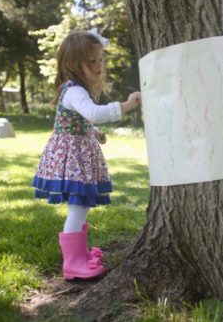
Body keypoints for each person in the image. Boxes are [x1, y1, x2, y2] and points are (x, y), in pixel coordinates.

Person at [32, 29, 141, 280]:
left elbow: (80, 121)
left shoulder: (77, 90)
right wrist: (126, 105)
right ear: (73, 64)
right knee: (79, 206)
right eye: (92, 61)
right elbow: (93, 113)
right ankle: (72, 263)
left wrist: (94, 133)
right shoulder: (73, 91)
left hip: (79, 154)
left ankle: (78, 257)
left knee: (80, 207)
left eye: (100, 59)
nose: (99, 65)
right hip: (72, 159)